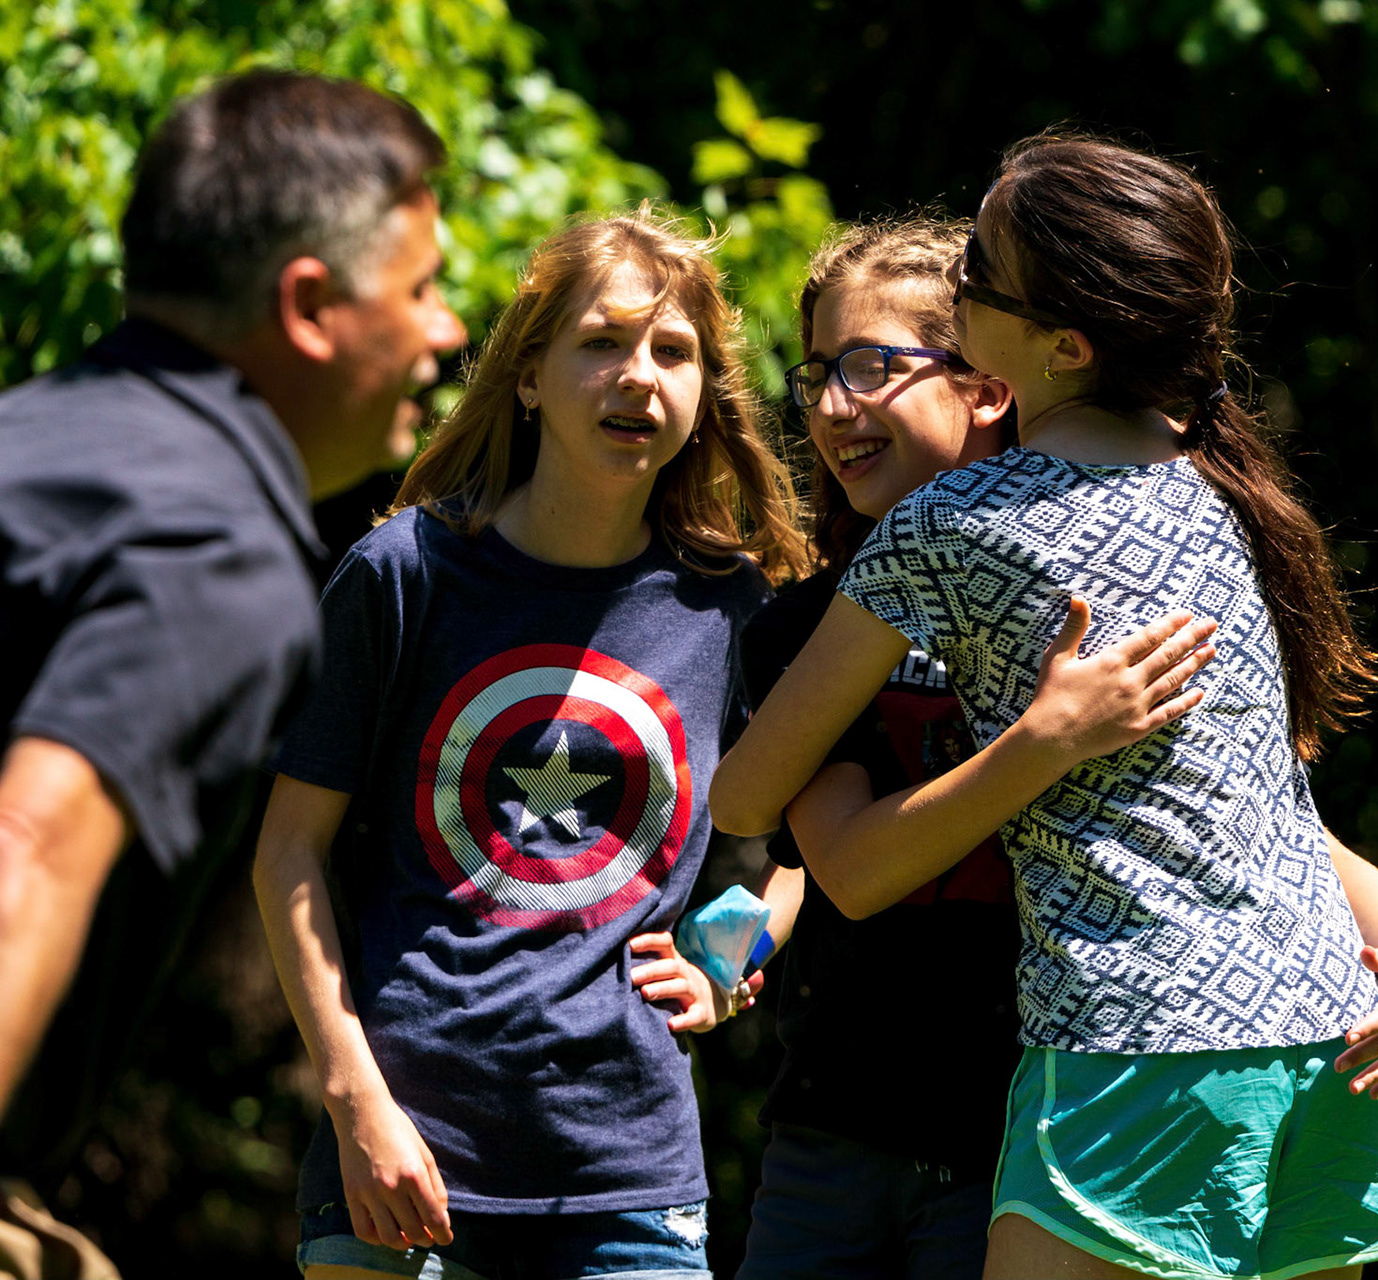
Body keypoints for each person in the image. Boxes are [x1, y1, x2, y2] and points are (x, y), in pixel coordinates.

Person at [712, 138, 1378, 1279]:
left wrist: (1048, 732)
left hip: (1138, 1046)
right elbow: (1249, 801)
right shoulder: (1214, 492)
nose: (961, 290)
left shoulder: (948, 527)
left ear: (1048, 351)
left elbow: (745, 795)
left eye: (979, 284)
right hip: (1321, 1046)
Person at [253, 208, 806, 1280]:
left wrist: (736, 960)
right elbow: (288, 852)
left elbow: (809, 842)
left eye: (672, 351)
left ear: (702, 397)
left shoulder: (736, 610)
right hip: (399, 1150)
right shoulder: (402, 574)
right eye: (601, 342)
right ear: (529, 377)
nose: (638, 376)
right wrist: (356, 1096)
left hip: (630, 1173)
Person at [0, 68, 465, 1250]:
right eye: (423, 287)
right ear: (310, 306)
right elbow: (28, 848)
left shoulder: (42, 439)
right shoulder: (212, 549)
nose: (447, 330)